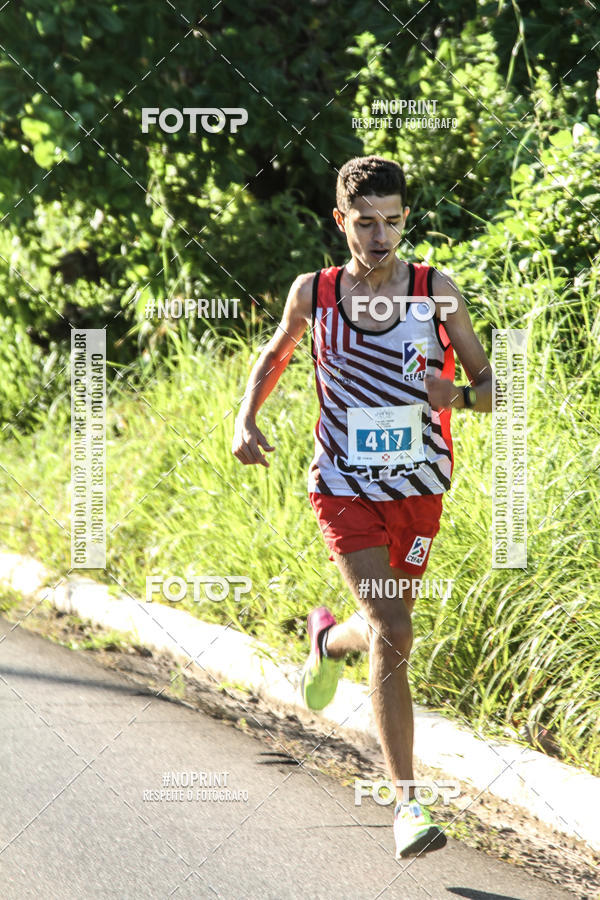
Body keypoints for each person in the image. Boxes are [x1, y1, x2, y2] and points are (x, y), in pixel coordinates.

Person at [232, 155, 493, 858]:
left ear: (405, 219)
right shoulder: (313, 293)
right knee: (396, 625)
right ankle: (409, 806)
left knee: (385, 630)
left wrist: (459, 398)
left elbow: (491, 385)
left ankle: (324, 640)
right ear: (342, 221)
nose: (380, 236)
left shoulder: (434, 291)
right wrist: (244, 420)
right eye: (366, 223)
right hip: (344, 486)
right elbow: (276, 353)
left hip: (418, 488)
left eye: (393, 222)